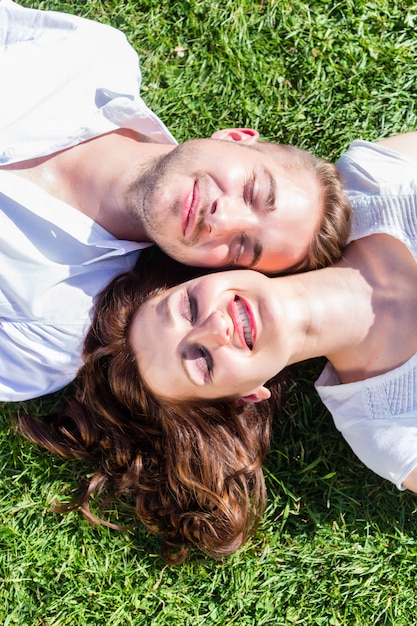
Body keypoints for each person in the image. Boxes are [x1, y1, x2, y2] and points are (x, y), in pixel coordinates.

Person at [17, 131, 417, 562]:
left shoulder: (376, 178)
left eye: (188, 307)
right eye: (203, 362)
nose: (215, 329)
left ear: (203, 275)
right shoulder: (389, 428)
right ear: (246, 396)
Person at [0, 0, 350, 401]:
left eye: (240, 247)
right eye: (253, 191)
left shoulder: (52, 331)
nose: (224, 218)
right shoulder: (93, 59)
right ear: (235, 138)